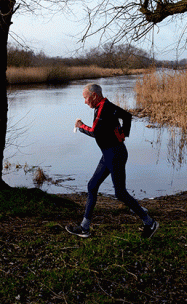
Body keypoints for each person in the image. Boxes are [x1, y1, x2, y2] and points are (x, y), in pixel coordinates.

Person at [65, 83, 159, 238]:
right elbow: (127, 116)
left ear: (94, 95)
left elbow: (95, 132)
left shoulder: (103, 109)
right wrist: (122, 135)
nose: (85, 101)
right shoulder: (106, 105)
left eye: (86, 98)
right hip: (110, 154)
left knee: (120, 193)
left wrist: (81, 126)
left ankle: (149, 222)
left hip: (114, 155)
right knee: (92, 186)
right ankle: (84, 227)